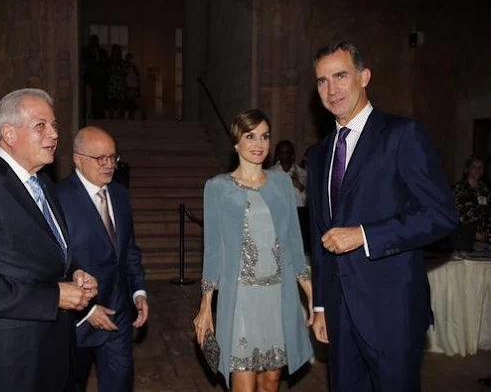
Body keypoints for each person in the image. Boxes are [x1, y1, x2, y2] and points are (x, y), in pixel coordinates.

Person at [306, 42, 457, 391]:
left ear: (364, 76)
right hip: (341, 316)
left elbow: (440, 215)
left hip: (393, 311)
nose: (331, 89)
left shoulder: (403, 135)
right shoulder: (318, 155)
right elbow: (320, 238)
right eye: (322, 81)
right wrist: (321, 307)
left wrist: (364, 235)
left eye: (340, 76)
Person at [0, 88, 98, 392]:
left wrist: (74, 272)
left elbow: (46, 250)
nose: (53, 135)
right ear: (8, 134)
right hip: (13, 361)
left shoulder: (40, 181)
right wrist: (54, 296)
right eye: (41, 126)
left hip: (53, 350)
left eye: (54, 126)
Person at [193, 109, 314, 391]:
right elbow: (212, 251)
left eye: (264, 137)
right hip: (241, 299)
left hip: (277, 296)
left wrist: (311, 296)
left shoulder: (282, 183)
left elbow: (295, 244)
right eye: (251, 136)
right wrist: (206, 305)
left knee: (272, 380)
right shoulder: (218, 187)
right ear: (236, 142)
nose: (259, 144)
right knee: (244, 381)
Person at [56, 126, 148, 392]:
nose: (109, 165)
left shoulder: (119, 194)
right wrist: (87, 309)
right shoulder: (58, 198)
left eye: (113, 158)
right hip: (75, 320)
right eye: (101, 159)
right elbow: (53, 263)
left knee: (120, 384)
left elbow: (128, 249)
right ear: (77, 159)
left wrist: (138, 291)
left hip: (118, 313)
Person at [272, 140, 310, 253]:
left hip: (300, 217)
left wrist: (299, 186)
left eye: (288, 152)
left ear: (292, 154)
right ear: (277, 155)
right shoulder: (269, 174)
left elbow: (308, 201)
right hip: (279, 217)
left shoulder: (303, 173)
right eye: (282, 152)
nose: (285, 155)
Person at [453, 155, 491, 242]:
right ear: (467, 169)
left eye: (480, 167)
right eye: (474, 166)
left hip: (484, 240)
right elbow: (458, 215)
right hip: (464, 238)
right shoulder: (459, 188)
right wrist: (473, 234)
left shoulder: (485, 190)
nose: (478, 169)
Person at [83, 34, 109, 119]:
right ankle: (90, 115)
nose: (94, 42)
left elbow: (106, 65)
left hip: (101, 81)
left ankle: (100, 116)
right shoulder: (85, 51)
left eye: (96, 41)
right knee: (89, 100)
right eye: (92, 41)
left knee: (100, 100)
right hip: (89, 80)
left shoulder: (103, 52)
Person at [107, 44, 127, 120]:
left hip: (120, 86)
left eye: (117, 51)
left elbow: (125, 74)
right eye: (114, 51)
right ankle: (111, 118)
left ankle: (118, 118)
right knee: (111, 103)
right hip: (111, 86)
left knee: (119, 103)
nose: (116, 52)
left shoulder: (123, 63)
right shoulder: (109, 62)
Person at [124, 53, 141, 120]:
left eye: (130, 58)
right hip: (127, 87)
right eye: (128, 58)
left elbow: (138, 78)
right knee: (127, 105)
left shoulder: (135, 67)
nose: (129, 60)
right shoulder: (124, 67)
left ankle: (132, 118)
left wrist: (138, 89)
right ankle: (127, 118)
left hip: (133, 88)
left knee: (133, 104)